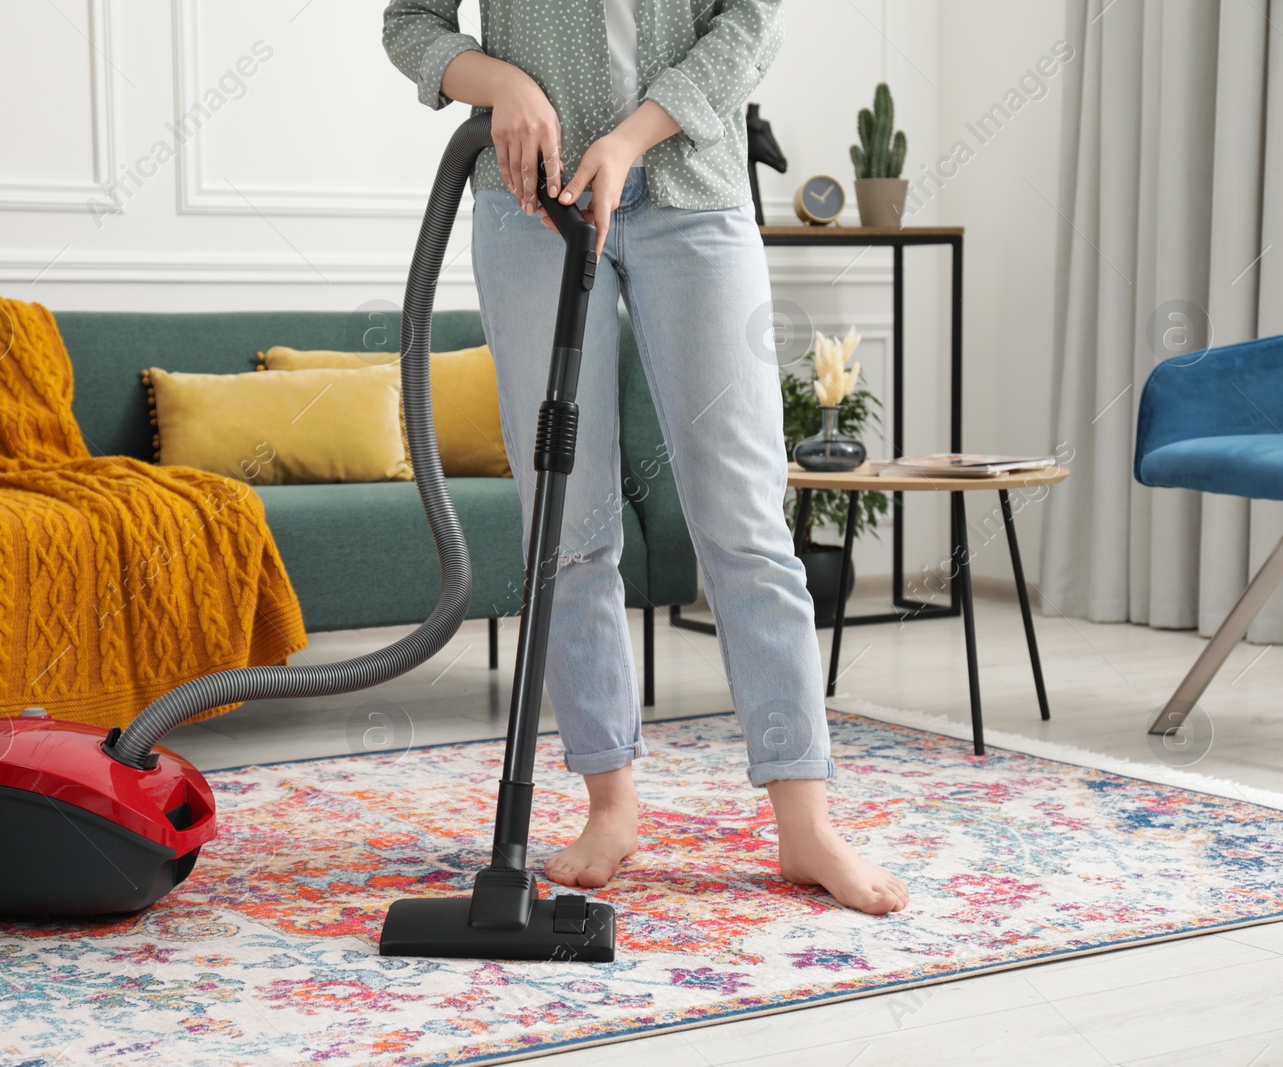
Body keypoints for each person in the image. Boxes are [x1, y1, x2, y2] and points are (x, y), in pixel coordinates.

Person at [383, 1, 908, 916]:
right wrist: (500, 82)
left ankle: (805, 821)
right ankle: (610, 805)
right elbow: (411, 24)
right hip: (529, 202)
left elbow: (750, 20)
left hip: (691, 193)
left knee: (744, 522)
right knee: (568, 527)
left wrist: (630, 138)